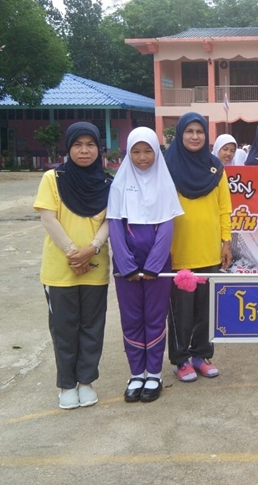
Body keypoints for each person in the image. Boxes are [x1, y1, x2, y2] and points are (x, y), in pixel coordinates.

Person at [33, 122, 112, 409]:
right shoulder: (52, 178)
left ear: (99, 149)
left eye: (90, 145)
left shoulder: (107, 183)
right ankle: (67, 385)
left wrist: (91, 250)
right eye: (77, 145)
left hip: (95, 267)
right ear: (68, 148)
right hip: (60, 269)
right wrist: (72, 253)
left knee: (92, 327)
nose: (84, 150)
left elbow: (110, 220)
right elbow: (48, 218)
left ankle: (86, 382)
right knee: (64, 328)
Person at [107, 127, 183, 403]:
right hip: (126, 267)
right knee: (131, 319)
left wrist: (154, 265)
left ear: (156, 152)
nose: (142, 157)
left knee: (154, 317)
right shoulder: (119, 184)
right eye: (136, 151)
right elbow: (115, 225)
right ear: (128, 153)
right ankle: (136, 373)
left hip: (157, 268)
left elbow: (166, 226)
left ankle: (154, 374)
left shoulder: (165, 184)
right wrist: (126, 264)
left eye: (148, 151)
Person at [164, 113, 233, 382]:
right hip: (178, 252)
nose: (195, 136)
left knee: (206, 310)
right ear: (180, 134)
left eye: (200, 131)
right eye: (189, 131)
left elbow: (224, 208)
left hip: (209, 251)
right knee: (181, 312)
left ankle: (201, 356)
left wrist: (226, 242)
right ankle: (181, 359)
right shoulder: (166, 166)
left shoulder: (215, 167)